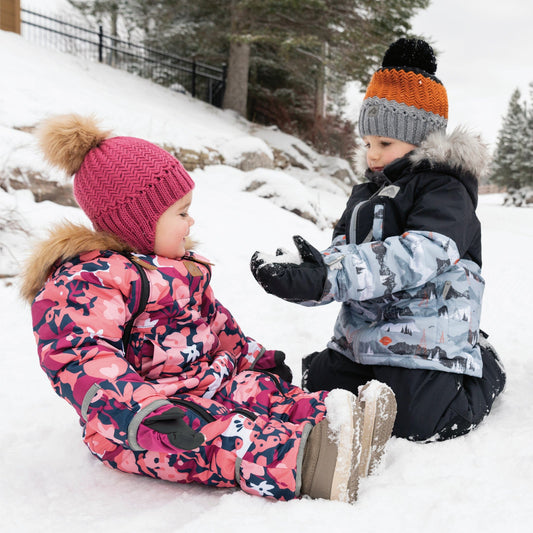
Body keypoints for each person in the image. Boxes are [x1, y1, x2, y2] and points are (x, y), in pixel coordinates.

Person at [21, 114, 397, 504]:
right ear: (137, 222)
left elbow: (218, 326)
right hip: (148, 422)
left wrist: (255, 359)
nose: (191, 221)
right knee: (224, 437)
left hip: (207, 384)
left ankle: (340, 420)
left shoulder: (182, 270)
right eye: (180, 213)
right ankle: (312, 461)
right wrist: (143, 412)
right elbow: (81, 358)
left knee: (259, 392)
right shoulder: (89, 281)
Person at [250, 38, 506, 442]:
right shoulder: (365, 194)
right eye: (368, 143)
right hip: (361, 336)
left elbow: (419, 254)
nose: (372, 155)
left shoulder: (446, 190)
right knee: (319, 394)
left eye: (384, 144)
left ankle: (482, 362)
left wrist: (331, 276)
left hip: (426, 337)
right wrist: (308, 277)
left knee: (418, 423)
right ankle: (352, 365)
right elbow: (340, 257)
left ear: (423, 140)